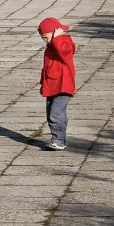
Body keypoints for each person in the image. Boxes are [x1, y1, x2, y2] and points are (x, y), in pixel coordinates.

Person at [38, 17, 76, 150]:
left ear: (55, 33)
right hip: (52, 87)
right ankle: (61, 139)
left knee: (55, 114)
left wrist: (57, 38)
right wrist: (44, 84)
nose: (45, 41)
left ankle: (58, 140)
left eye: (46, 37)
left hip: (63, 87)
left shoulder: (65, 42)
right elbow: (47, 69)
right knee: (53, 115)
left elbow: (65, 53)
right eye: (43, 38)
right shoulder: (50, 47)